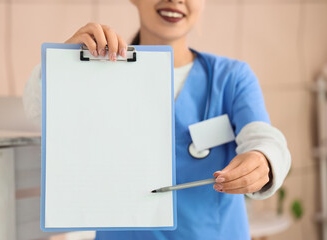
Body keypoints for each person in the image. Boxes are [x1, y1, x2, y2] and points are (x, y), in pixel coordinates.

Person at [23, 0, 291, 239]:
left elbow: (263, 138)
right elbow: (38, 112)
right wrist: (63, 68)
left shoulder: (232, 77)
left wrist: (262, 159)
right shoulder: (99, 70)